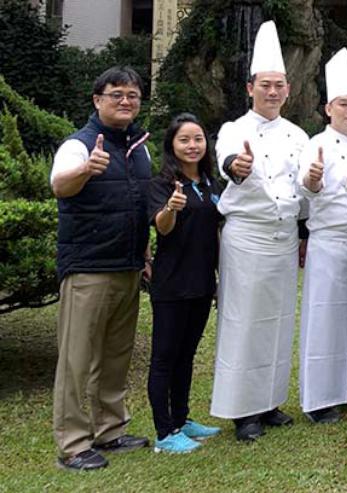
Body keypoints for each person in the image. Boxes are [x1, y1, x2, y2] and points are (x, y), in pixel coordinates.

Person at [49, 66, 153, 470]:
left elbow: (140, 205)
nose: (126, 101)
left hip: (128, 266)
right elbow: (59, 186)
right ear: (97, 100)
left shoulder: (139, 148)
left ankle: (110, 429)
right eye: (116, 94)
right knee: (76, 360)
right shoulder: (77, 145)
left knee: (116, 355)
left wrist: (145, 254)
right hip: (88, 268)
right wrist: (86, 169)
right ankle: (74, 444)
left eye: (133, 95)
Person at [211, 21, 308, 442]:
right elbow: (227, 160)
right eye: (265, 85)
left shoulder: (298, 135)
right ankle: (241, 410)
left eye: (279, 85)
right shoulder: (234, 130)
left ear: (288, 90)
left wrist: (315, 183)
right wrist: (237, 166)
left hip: (283, 237)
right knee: (243, 321)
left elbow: (307, 184)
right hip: (247, 237)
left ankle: (268, 402)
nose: (272, 92)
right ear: (250, 88)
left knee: (279, 320)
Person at [296, 48, 347, 427]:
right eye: (344, 104)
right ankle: (319, 398)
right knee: (324, 318)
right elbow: (307, 187)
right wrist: (315, 180)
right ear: (328, 109)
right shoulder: (315, 144)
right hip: (329, 240)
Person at [145, 114, 224, 454]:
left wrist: (219, 278)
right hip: (172, 283)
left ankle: (181, 417)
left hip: (202, 282)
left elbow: (217, 231)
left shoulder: (210, 184)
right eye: (184, 140)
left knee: (187, 354)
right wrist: (171, 208)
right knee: (165, 356)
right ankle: (165, 433)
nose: (192, 146)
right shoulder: (161, 185)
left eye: (198, 139)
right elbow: (162, 228)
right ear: (172, 145)